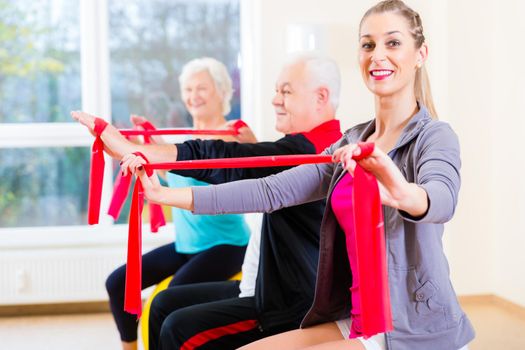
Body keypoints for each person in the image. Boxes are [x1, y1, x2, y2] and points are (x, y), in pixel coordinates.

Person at [123, 1, 476, 349]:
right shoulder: (351, 142)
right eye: (368, 44)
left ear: (420, 54)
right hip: (357, 317)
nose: (378, 55)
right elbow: (269, 191)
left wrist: (402, 193)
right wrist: (163, 195)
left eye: (393, 43)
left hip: (413, 325)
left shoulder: (434, 136)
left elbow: (441, 198)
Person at [73, 53, 343, 350]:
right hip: (266, 283)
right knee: (162, 304)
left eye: (286, 91)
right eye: (276, 90)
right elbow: (243, 163)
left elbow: (229, 161)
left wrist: (141, 153)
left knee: (178, 327)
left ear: (321, 97)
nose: (275, 100)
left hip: (286, 302)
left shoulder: (314, 151)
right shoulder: (310, 146)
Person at [104, 57, 255, 350]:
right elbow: (161, 172)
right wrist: (143, 142)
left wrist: (251, 144)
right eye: (188, 89)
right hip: (187, 245)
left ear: (223, 91)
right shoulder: (181, 142)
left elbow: (256, 169)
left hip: (227, 246)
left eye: (202, 88)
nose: (193, 96)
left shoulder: (233, 136)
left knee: (164, 303)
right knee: (118, 283)